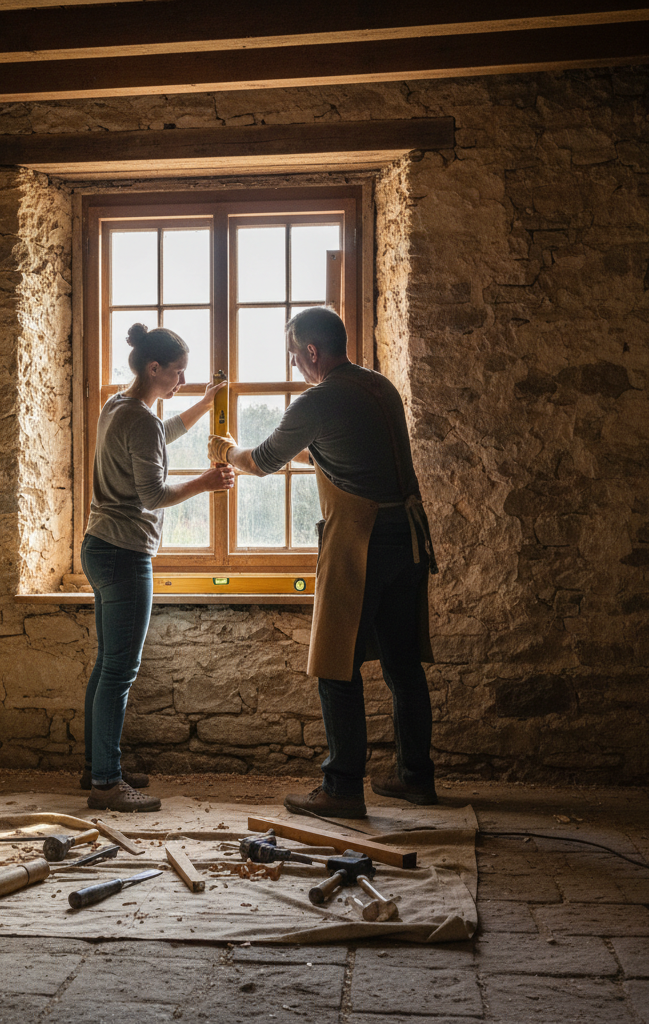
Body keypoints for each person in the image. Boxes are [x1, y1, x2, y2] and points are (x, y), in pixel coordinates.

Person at [207, 306, 437, 819]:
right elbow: (351, 452)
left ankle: (341, 788)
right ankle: (416, 778)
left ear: (312, 351)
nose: (294, 365)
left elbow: (264, 461)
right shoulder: (380, 388)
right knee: (403, 666)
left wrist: (229, 450)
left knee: (336, 665)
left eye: (294, 355)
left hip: (362, 538)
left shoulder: (319, 398)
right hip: (408, 539)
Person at [83, 322, 234, 812]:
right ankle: (106, 783)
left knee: (107, 665)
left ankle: (97, 766)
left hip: (98, 547)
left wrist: (207, 404)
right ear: (154, 368)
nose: (182, 380)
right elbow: (154, 494)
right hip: (126, 554)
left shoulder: (118, 407)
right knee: (120, 671)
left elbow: (162, 434)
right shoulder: (139, 419)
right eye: (177, 372)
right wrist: (207, 482)